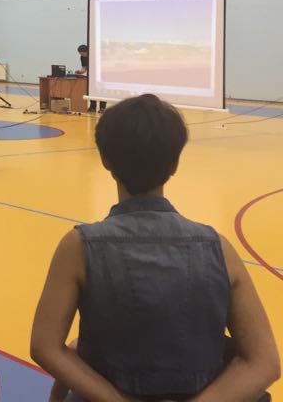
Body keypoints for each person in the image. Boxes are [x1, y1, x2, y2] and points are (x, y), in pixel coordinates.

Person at [30, 94, 280, 402]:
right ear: (175, 164)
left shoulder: (78, 247)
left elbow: (44, 346)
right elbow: (264, 362)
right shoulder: (218, 247)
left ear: (105, 160)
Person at [76, 44, 105, 113]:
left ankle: (102, 108)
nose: (81, 55)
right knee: (92, 91)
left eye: (82, 53)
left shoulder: (95, 55)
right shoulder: (82, 57)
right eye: (80, 53)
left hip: (100, 75)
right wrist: (80, 72)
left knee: (101, 91)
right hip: (91, 76)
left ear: (87, 51)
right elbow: (84, 68)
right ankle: (92, 107)